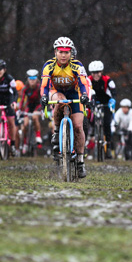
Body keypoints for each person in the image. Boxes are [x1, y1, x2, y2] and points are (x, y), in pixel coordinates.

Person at [40, 37, 91, 178]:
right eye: (60, 52)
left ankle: (80, 161)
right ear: (55, 52)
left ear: (71, 53)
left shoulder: (77, 65)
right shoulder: (49, 65)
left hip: (74, 93)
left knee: (78, 126)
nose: (63, 55)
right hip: (56, 92)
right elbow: (44, 84)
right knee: (60, 100)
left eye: (67, 52)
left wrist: (85, 95)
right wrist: (44, 96)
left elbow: (83, 83)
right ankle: (57, 132)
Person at [88, 60, 117, 158]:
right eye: (93, 73)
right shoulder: (88, 80)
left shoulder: (108, 80)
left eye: (98, 72)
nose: (96, 75)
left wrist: (113, 100)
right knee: (89, 118)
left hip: (106, 103)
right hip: (94, 102)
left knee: (107, 123)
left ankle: (108, 146)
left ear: (101, 72)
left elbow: (114, 91)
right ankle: (92, 132)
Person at [18, 68, 44, 152]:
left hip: (37, 105)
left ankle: (38, 136)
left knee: (35, 118)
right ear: (28, 79)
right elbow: (22, 100)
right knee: (25, 124)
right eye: (30, 79)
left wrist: (42, 109)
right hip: (29, 106)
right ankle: (25, 142)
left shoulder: (40, 87)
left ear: (36, 79)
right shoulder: (25, 88)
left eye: (34, 79)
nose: (32, 81)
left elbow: (42, 99)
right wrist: (20, 110)